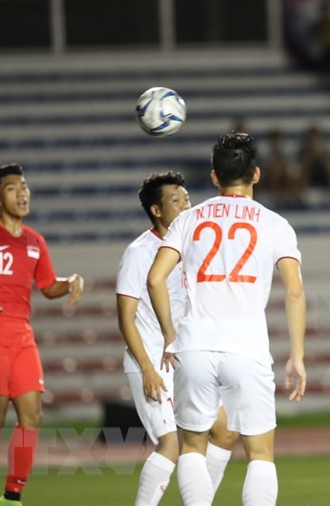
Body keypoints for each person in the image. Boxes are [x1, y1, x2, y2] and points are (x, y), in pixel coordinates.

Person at [147, 132, 306, 506]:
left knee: (191, 447)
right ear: (257, 174)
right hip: (247, 349)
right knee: (261, 454)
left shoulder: (189, 219)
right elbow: (294, 291)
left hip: (194, 345)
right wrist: (297, 355)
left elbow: (155, 279)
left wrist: (171, 334)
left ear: (214, 177)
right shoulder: (275, 224)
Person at [0, 163, 84, 506]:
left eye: (24, 186)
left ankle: (13, 495)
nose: (22, 193)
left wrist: (70, 282)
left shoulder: (36, 241)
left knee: (32, 415)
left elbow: (48, 286)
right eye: (12, 188)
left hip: (22, 335)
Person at [116, 171, 238, 506]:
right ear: (156, 210)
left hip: (187, 359)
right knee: (171, 443)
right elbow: (125, 318)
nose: (186, 205)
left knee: (225, 432)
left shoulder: (192, 246)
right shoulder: (140, 253)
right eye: (176, 200)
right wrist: (147, 368)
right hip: (153, 359)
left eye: (186, 199)